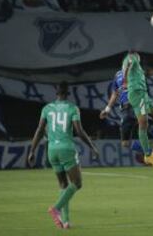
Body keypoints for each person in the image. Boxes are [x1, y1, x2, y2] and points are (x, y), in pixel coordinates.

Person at [28, 82, 99, 229]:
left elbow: (40, 130)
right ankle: (56, 208)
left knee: (63, 185)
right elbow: (79, 131)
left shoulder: (47, 109)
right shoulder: (72, 108)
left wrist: (32, 150)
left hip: (52, 150)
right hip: (66, 149)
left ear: (56, 92)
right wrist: (92, 146)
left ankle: (65, 222)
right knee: (77, 183)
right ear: (68, 93)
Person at [100, 70, 153, 164]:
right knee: (125, 143)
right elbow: (115, 93)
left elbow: (147, 74)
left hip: (136, 102)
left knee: (145, 124)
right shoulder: (117, 74)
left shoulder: (136, 71)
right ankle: (152, 150)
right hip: (125, 110)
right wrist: (107, 109)